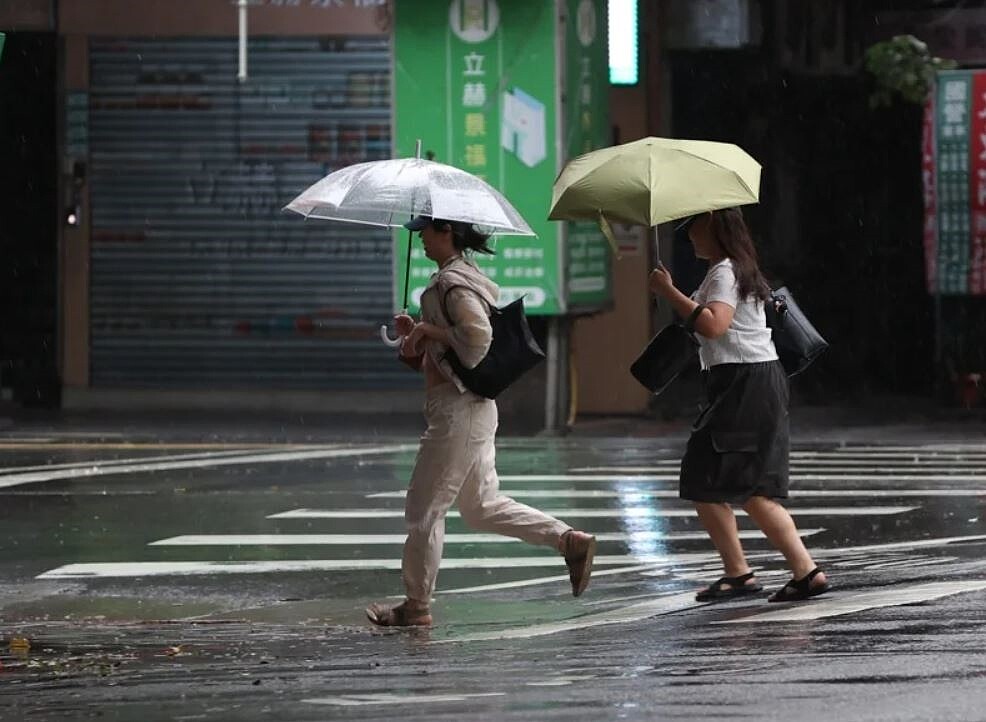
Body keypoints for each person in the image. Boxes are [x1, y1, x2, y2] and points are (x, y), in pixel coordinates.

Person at [365, 215, 597, 627]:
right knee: (480, 507)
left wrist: (431, 332)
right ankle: (568, 541)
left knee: (424, 509)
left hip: (459, 411)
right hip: (467, 408)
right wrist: (416, 333)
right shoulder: (455, 279)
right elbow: (443, 350)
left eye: (426, 231)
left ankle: (416, 606)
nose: (419, 239)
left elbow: (477, 338)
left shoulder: (453, 285)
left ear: (447, 233)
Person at [648, 208, 830, 603]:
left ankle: (785, 571)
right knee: (726, 482)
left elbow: (714, 324)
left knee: (732, 483)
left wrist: (668, 291)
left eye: (692, 227)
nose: (688, 235)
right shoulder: (730, 269)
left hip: (745, 383)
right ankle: (759, 572)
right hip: (745, 381)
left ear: (713, 225)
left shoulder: (725, 272)